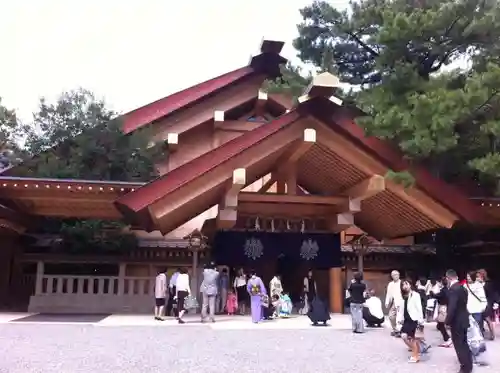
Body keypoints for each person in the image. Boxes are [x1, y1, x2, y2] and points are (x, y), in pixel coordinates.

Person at [445, 269, 473, 373]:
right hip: (464, 319)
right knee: (464, 343)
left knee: (459, 345)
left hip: (457, 322)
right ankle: (469, 364)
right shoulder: (463, 288)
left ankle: (465, 368)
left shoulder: (453, 289)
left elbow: (452, 307)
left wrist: (447, 321)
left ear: (448, 278)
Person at [396, 278, 424, 363]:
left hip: (414, 319)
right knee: (404, 336)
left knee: (412, 339)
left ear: (410, 285)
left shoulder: (415, 295)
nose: (404, 286)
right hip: (406, 320)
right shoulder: (402, 296)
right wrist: (399, 320)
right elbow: (400, 309)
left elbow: (419, 308)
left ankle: (415, 356)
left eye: (406, 284)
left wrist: (420, 320)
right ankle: (417, 352)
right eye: (403, 285)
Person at [477, 269, 498, 340]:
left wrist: (493, 303)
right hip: (480, 303)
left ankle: (492, 334)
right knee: (482, 318)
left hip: (487, 303)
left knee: (487, 318)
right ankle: (482, 333)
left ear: (482, 276)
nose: (477, 277)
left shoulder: (488, 284)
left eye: (478, 276)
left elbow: (491, 294)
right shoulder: (479, 284)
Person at [434, 277, 452, 348]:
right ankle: (448, 338)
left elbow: (437, 296)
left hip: (443, 308)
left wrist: (432, 293)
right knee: (441, 324)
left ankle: (448, 339)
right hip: (446, 307)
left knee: (441, 324)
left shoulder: (443, 291)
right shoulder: (448, 290)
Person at [385, 270, 402, 337]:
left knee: (401, 317)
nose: (395, 276)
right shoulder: (390, 284)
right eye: (393, 275)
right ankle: (395, 329)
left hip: (402, 301)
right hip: (395, 302)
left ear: (399, 275)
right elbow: (388, 294)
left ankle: (400, 330)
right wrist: (387, 302)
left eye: (396, 274)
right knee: (391, 316)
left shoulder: (402, 283)